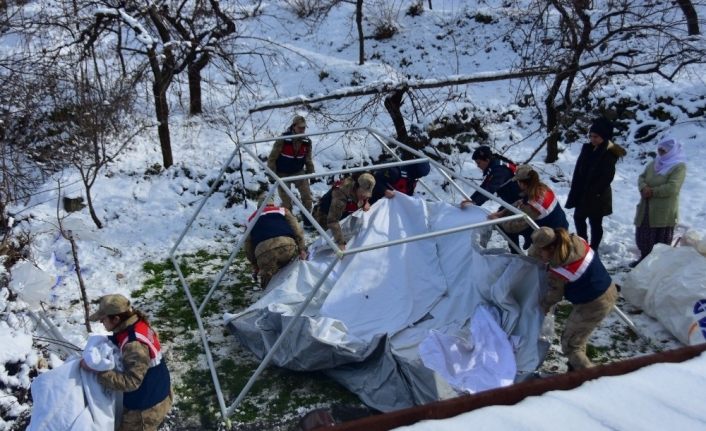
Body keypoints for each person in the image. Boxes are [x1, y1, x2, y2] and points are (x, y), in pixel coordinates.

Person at [531, 227, 618, 370]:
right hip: (608, 287)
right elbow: (539, 251)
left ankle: (590, 378)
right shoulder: (574, 241)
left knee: (571, 345)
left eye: (541, 251)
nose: (539, 254)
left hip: (594, 304)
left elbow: (554, 296)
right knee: (578, 335)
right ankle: (575, 368)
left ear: (552, 248)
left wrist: (542, 307)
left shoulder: (559, 271)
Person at [82, 294, 172, 431]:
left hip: (146, 410)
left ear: (116, 319)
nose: (101, 322)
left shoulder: (134, 344)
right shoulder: (137, 323)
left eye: (103, 319)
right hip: (159, 390)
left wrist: (97, 372)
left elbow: (132, 382)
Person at [565, 117, 626, 251]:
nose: (592, 139)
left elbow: (606, 177)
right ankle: (583, 244)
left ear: (604, 137)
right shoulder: (588, 149)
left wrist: (593, 192)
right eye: (591, 136)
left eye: (596, 137)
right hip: (583, 192)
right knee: (578, 218)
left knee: (595, 222)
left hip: (598, 195)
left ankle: (594, 248)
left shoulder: (609, 153)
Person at [630, 137, 687, 267]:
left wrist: (653, 191)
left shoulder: (678, 167)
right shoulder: (654, 163)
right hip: (646, 206)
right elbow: (642, 177)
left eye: (664, 150)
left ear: (672, 151)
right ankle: (643, 260)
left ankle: (656, 266)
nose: (661, 152)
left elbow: (673, 187)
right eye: (659, 149)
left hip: (663, 209)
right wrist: (643, 187)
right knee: (644, 235)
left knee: (659, 239)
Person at [488, 165, 569, 250]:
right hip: (560, 224)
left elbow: (514, 227)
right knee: (507, 215)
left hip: (553, 236)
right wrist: (502, 212)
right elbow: (521, 201)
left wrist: (497, 220)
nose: (517, 184)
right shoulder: (541, 187)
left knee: (507, 224)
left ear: (522, 183)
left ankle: (516, 252)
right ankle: (528, 239)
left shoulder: (534, 205)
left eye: (518, 182)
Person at [244, 198, 308, 288]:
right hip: (286, 244)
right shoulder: (283, 210)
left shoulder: (251, 219)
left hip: (264, 251)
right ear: (272, 204)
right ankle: (290, 288)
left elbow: (248, 246)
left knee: (268, 279)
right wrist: (302, 249)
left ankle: (268, 296)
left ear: (258, 208)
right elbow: (297, 230)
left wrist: (256, 265)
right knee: (288, 270)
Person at [313, 173, 375, 250]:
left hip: (344, 211)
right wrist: (340, 242)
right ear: (356, 187)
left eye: (366, 195)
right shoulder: (340, 195)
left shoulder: (360, 186)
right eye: (362, 195)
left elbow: (364, 196)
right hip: (325, 215)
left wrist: (365, 202)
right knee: (331, 242)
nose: (364, 197)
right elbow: (332, 220)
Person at [267, 115, 315, 213]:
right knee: (286, 202)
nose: (302, 130)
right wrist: (272, 174)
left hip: (298, 172)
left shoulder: (307, 142)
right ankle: (289, 222)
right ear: (293, 126)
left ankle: (307, 221)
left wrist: (311, 173)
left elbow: (308, 159)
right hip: (282, 173)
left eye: (304, 128)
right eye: (300, 127)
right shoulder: (283, 139)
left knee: (307, 197)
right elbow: (272, 158)